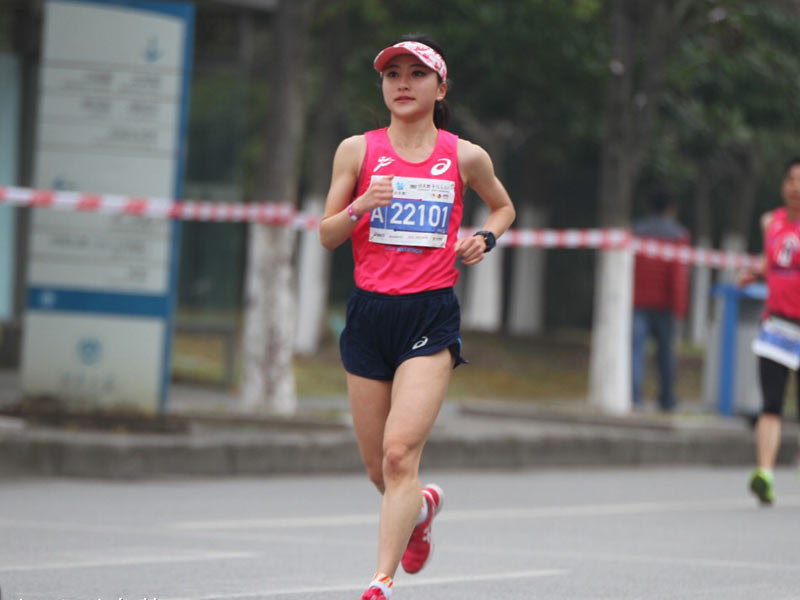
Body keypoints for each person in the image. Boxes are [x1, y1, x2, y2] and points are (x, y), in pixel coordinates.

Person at [319, 35, 515, 600]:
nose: (402, 83)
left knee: (400, 453)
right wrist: (361, 205)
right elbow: (328, 234)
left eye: (416, 74)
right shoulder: (357, 151)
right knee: (380, 470)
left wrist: (483, 237)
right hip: (368, 315)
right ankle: (422, 510)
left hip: (429, 314)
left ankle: (380, 583)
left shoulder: (464, 156)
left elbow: (504, 207)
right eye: (392, 74)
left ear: (439, 87)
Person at [739, 157, 800, 505]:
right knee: (771, 404)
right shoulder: (771, 222)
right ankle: (765, 473)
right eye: (791, 179)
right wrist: (756, 273)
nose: (796, 187)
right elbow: (771, 260)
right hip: (777, 325)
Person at [631, 189, 690, 412]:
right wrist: (679, 307)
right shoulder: (678, 235)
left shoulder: (636, 231)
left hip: (637, 302)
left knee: (636, 351)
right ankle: (666, 398)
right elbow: (678, 275)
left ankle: (634, 397)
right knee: (666, 354)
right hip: (665, 305)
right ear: (670, 208)